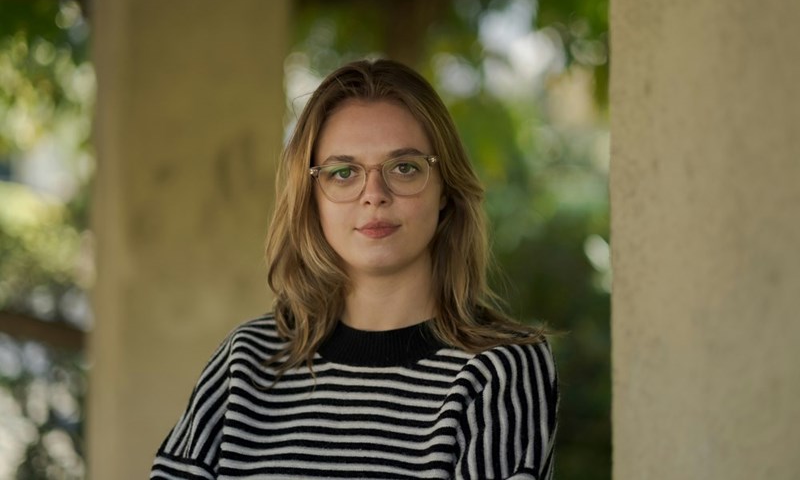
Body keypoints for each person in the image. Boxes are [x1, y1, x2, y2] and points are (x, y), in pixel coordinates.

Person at [150, 59, 558, 480]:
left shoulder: (501, 368)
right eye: (343, 173)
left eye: (404, 167)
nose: (374, 195)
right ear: (313, 199)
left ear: (445, 190)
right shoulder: (246, 362)